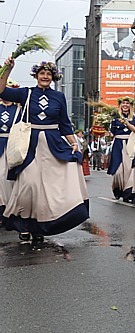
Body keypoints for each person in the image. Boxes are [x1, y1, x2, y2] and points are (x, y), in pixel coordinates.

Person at [0, 58, 88, 244]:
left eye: (48, 74)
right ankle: (23, 224)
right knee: (28, 186)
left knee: (46, 189)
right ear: (36, 76)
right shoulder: (26, 93)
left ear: (53, 77)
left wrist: (74, 143)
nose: (45, 76)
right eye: (42, 73)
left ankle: (38, 228)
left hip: (53, 144)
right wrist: (7, 69)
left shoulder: (59, 97)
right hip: (29, 145)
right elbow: (1, 90)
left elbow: (64, 124)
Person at [0, 78, 20, 226]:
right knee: (1, 177)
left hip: (14, 145)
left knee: (13, 178)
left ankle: (12, 209)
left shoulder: (18, 109)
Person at [108, 97, 135, 201]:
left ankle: (128, 192)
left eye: (127, 103)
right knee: (118, 170)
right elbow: (112, 133)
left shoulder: (134, 117)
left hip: (130, 143)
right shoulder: (115, 118)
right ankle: (118, 189)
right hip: (118, 144)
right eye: (123, 103)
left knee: (129, 168)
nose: (125, 105)